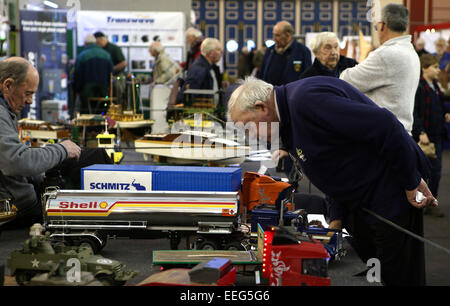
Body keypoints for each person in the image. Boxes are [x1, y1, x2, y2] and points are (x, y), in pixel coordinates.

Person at [228, 75, 437, 286]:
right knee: (371, 273)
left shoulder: (306, 101)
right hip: (362, 199)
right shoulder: (288, 115)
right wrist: (337, 216)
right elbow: (332, 163)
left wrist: (410, 182)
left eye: (248, 126)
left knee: (397, 276)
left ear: (261, 107)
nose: (251, 134)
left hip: (390, 194)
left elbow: (385, 124)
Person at [0, 57, 81, 226]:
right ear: (8, 85)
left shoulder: (6, 111)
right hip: (17, 208)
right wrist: (61, 150)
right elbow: (16, 161)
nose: (30, 101)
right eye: (28, 93)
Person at [340, 3, 420, 135]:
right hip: (399, 132)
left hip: (383, 134)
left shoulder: (386, 54)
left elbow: (346, 81)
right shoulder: (411, 51)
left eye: (376, 27)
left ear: (382, 25)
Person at [413, 54, 450, 218]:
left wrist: (445, 113)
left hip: (437, 134)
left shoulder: (435, 85)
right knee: (424, 171)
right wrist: (421, 132)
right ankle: (422, 201)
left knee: (436, 171)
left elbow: (439, 105)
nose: (437, 70)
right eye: (434, 67)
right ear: (424, 68)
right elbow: (415, 112)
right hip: (425, 136)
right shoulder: (420, 87)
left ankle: (430, 201)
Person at [257, 21, 312, 85]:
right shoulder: (270, 50)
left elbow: (308, 78)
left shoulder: (302, 51)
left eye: (277, 35)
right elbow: (261, 74)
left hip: (292, 93)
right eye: (274, 35)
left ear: (288, 35)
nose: (274, 38)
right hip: (271, 93)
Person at [176, 38, 223, 106]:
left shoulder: (209, 67)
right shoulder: (199, 69)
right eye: (218, 50)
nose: (221, 52)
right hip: (201, 112)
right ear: (210, 53)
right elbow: (187, 95)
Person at [74, 34, 113, 114]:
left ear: (85, 44)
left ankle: (88, 126)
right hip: (103, 88)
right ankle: (101, 125)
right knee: (102, 110)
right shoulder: (106, 55)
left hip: (86, 90)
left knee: (87, 111)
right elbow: (111, 72)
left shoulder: (82, 56)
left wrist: (77, 89)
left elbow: (77, 74)